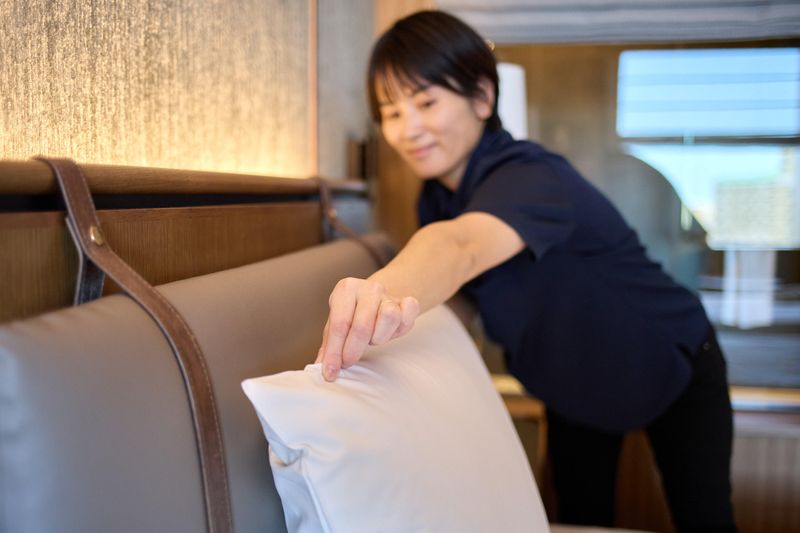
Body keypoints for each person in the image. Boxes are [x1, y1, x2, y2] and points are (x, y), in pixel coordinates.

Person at [315, 10, 736, 532]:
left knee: (706, 520)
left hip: (669, 355)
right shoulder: (437, 196)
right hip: (573, 381)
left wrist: (376, 295)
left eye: (426, 102)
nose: (409, 129)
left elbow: (460, 247)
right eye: (391, 111)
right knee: (580, 517)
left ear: (482, 97)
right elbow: (461, 288)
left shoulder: (530, 175)